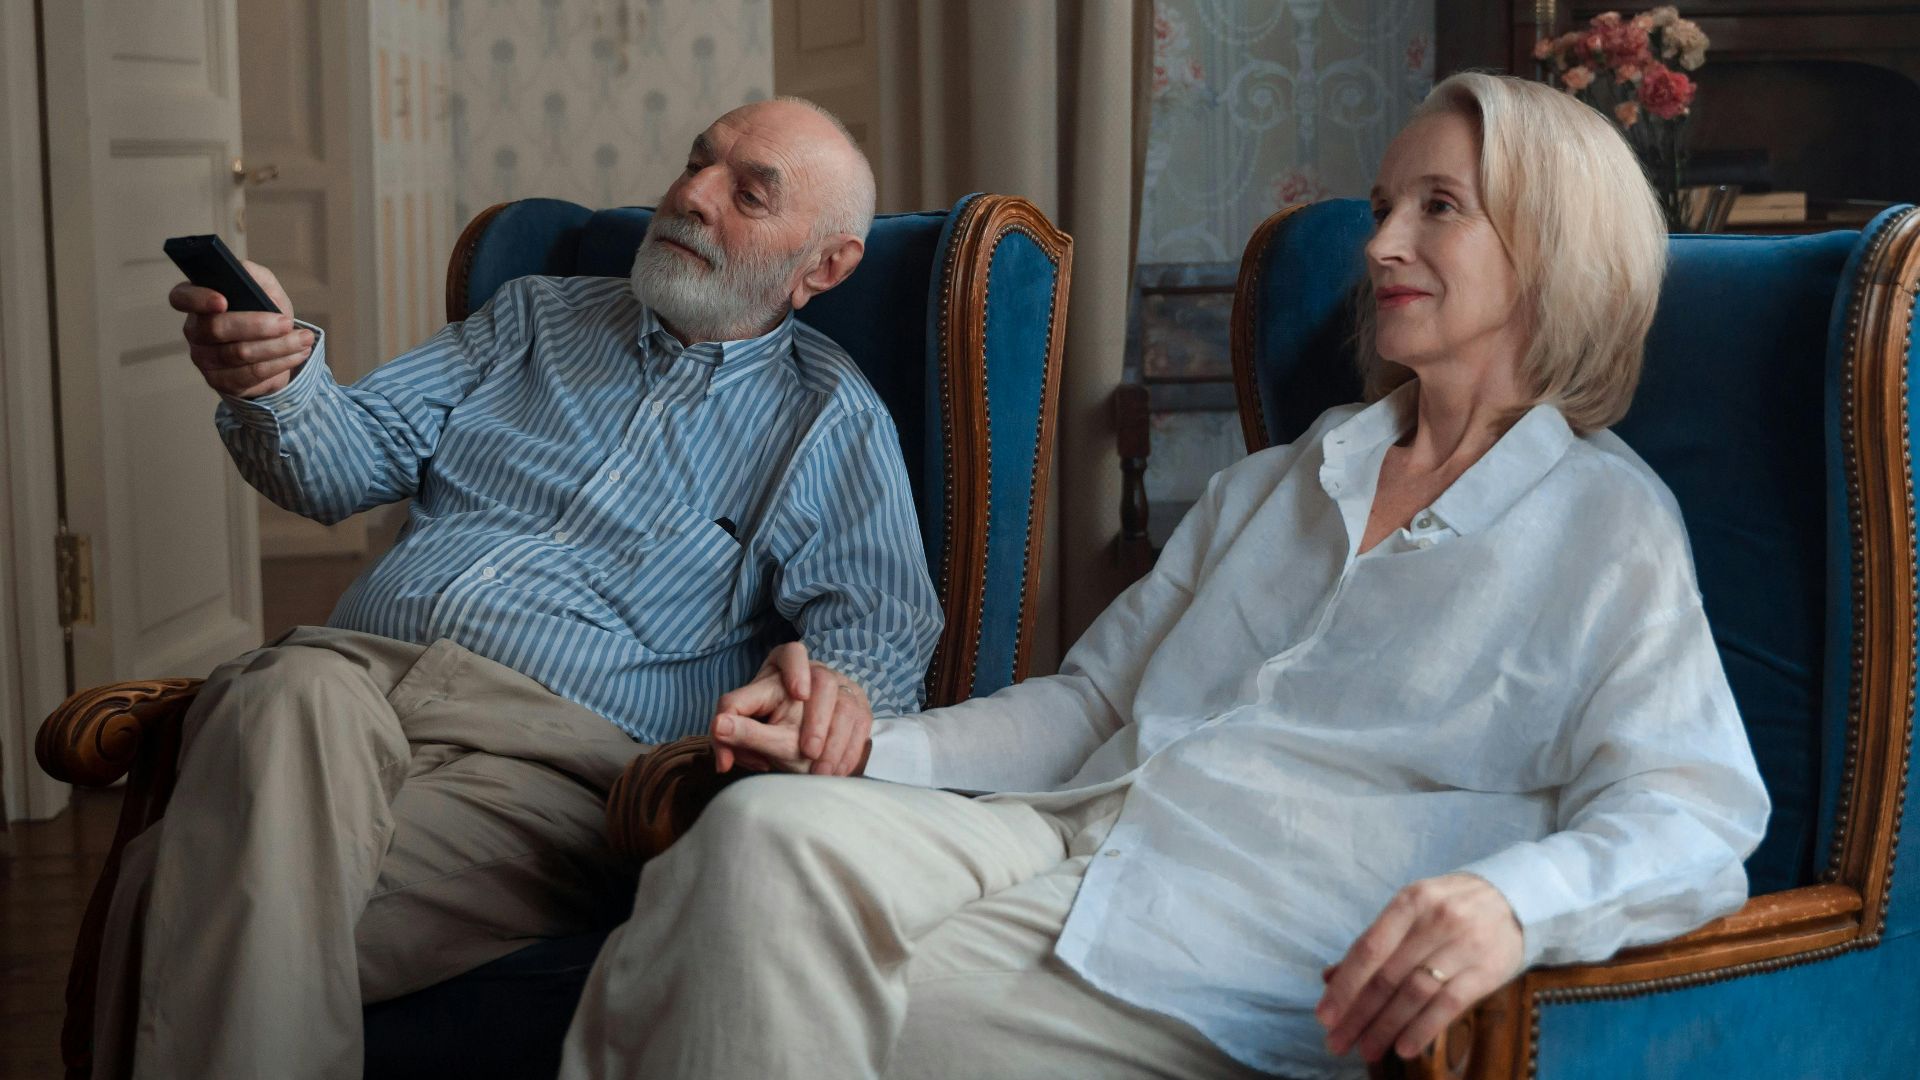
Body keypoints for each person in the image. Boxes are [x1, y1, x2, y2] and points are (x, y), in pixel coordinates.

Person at [555, 73, 1772, 1080]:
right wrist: (863, 746)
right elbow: (1092, 705)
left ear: (1550, 245)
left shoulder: (1605, 524)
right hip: (1071, 836)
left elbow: (1695, 813)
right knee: (761, 837)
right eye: (1385, 204)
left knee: (726, 972)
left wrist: (1512, 906)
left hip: (1249, 944)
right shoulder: (1282, 481)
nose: (1382, 241)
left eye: (1437, 207)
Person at [94, 98, 940, 1079]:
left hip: (541, 783)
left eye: (748, 194)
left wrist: (837, 696)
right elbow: (341, 465)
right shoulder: (532, 317)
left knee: (172, 888)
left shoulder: (827, 421)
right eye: (697, 163)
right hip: (350, 688)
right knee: (296, 692)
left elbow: (880, 634)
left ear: (823, 267)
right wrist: (272, 382)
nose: (692, 197)